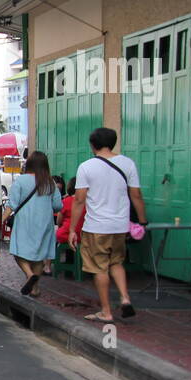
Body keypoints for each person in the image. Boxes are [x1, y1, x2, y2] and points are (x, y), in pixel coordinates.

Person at [70, 127, 148, 323]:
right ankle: (125, 297)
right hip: (120, 226)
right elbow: (136, 195)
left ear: (92, 145)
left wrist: (72, 229)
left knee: (99, 268)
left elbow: (79, 200)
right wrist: (142, 221)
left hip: (96, 227)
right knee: (116, 263)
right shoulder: (128, 163)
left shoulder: (86, 167)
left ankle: (106, 311)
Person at [6, 150, 62, 295]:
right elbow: (57, 206)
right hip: (44, 223)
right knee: (39, 256)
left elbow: (12, 205)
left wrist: (1, 219)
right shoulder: (50, 183)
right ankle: (35, 289)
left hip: (24, 222)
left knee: (18, 252)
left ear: (29, 164)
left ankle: (30, 275)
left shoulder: (20, 181)